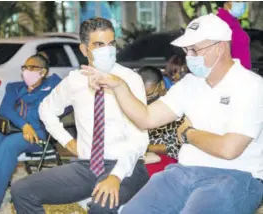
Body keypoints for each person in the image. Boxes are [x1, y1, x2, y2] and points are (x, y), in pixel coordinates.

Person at [82, 14, 263, 214]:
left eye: (195, 49)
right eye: (186, 50)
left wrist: (188, 134)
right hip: (182, 173)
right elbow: (146, 118)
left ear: (220, 47)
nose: (189, 56)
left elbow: (229, 149)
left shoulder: (250, 85)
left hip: (235, 176)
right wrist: (119, 86)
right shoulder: (190, 83)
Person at [10, 18, 149, 214]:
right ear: (84, 50)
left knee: (102, 206)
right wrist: (68, 142)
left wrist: (115, 177)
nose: (107, 50)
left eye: (111, 44)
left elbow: (139, 138)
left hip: (127, 166)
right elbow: (46, 109)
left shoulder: (129, 80)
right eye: (99, 45)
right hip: (87, 166)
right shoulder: (75, 81)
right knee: (21, 190)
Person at [0, 53, 61, 213]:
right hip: (11, 128)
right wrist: (24, 125)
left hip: (36, 135)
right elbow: (5, 108)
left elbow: (67, 103)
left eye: (32, 67)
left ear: (43, 72)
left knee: (7, 147)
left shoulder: (53, 87)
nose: (26, 71)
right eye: (25, 67)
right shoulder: (15, 87)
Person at [137, 66, 182, 176]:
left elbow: (177, 146)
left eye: (149, 95)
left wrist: (145, 147)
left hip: (170, 162)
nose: (146, 100)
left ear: (161, 85)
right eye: (141, 95)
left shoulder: (177, 105)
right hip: (141, 158)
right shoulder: (136, 105)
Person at [217, 1, 251, 69]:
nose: (242, 4)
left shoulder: (233, 23)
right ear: (225, 3)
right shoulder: (222, 24)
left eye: (244, 1)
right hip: (233, 74)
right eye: (237, 1)